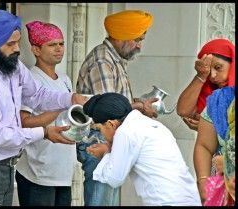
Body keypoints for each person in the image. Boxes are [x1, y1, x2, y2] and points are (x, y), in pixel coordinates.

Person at [0, 10, 87, 206]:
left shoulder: (12, 65)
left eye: (18, 42)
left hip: (6, 167)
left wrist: (71, 98)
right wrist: (44, 133)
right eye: (11, 44)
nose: (17, 49)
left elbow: (37, 95)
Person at [76, 9, 158, 206]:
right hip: (98, 139)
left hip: (109, 138)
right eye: (137, 39)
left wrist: (138, 103)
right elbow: (108, 111)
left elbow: (116, 101)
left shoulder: (114, 59)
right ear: (121, 37)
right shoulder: (102, 60)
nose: (139, 45)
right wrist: (139, 108)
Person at [83, 93, 202, 206]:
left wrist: (105, 153)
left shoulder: (125, 132)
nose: (102, 135)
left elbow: (114, 178)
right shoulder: (150, 125)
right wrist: (110, 148)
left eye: (100, 129)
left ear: (111, 124)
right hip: (189, 199)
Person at [15, 20, 76, 206]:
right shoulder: (31, 78)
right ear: (36, 50)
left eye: (61, 44)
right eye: (52, 45)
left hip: (63, 173)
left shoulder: (65, 80)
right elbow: (23, 122)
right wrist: (61, 107)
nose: (59, 49)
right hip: (38, 174)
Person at [177, 38, 235, 131]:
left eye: (218, 67)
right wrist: (201, 75)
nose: (212, 76)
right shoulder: (212, 91)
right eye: (208, 71)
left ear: (232, 63)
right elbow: (183, 112)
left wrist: (209, 128)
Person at [193, 86, 235, 205]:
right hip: (223, 195)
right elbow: (204, 146)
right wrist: (203, 183)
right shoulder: (221, 101)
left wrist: (227, 164)